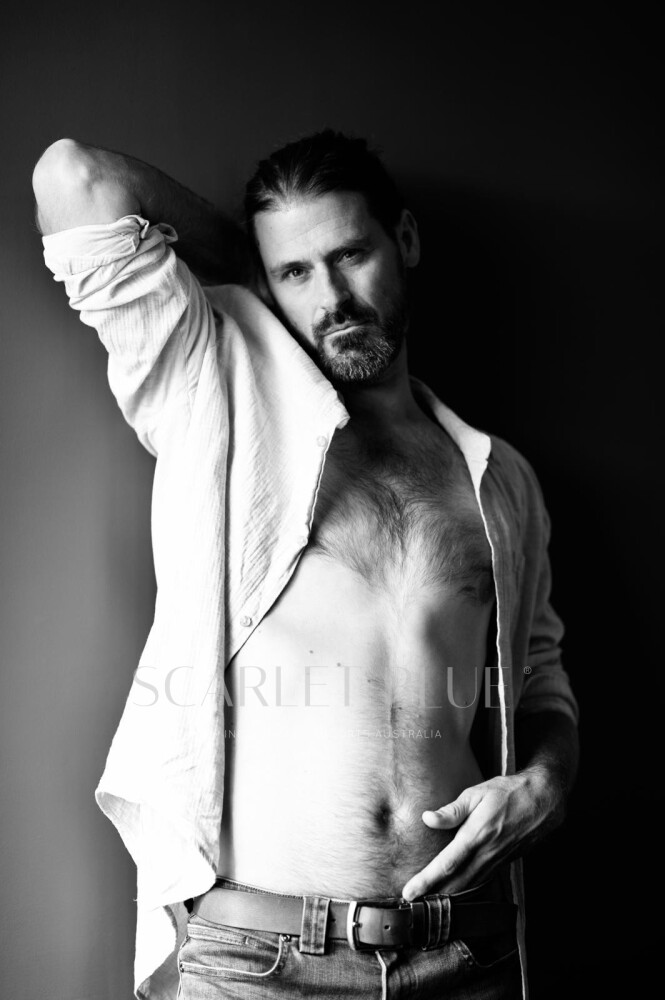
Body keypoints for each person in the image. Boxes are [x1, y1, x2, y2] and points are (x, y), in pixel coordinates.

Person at [33, 130, 579, 1000]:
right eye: (295, 272)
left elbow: (538, 673)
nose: (331, 300)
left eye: (351, 255)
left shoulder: (498, 478)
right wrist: (251, 272)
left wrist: (547, 780)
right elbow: (74, 177)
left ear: (404, 240)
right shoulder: (211, 394)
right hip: (262, 962)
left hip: (465, 954)